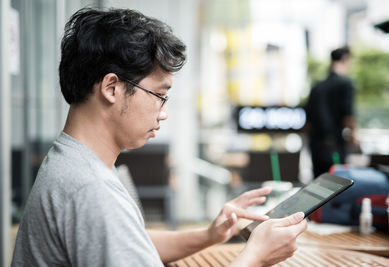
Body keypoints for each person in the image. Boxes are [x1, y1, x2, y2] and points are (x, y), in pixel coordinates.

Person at [11, 8, 307, 266]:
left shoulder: (73, 163)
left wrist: (211, 234)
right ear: (112, 88)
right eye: (159, 95)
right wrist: (256, 256)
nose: (163, 113)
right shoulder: (89, 190)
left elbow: (131, 244)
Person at [306, 46, 358, 178]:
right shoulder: (346, 83)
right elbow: (348, 115)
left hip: (316, 146)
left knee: (319, 187)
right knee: (337, 185)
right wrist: (354, 136)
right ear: (345, 59)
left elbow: (308, 121)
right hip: (334, 146)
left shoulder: (317, 87)